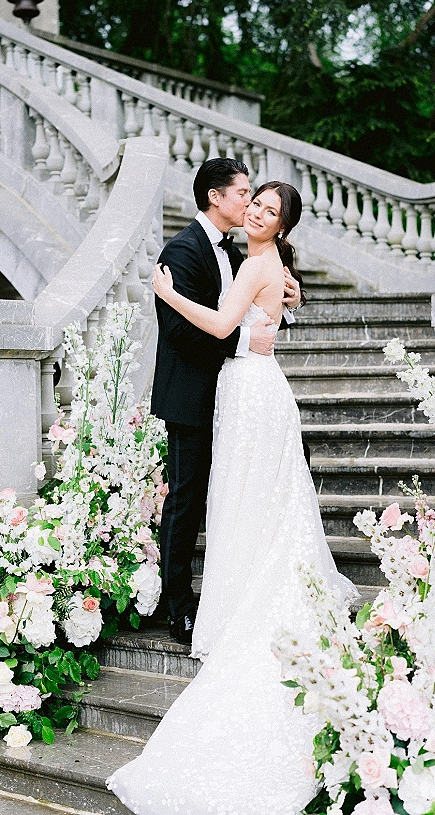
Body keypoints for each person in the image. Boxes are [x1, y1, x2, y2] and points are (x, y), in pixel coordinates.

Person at [106, 181, 357, 814]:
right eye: (255, 202)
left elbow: (221, 323)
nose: (257, 211)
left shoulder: (256, 261)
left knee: (243, 498)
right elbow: (262, 312)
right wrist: (283, 298)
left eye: (269, 209)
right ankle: (246, 581)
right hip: (252, 385)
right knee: (248, 499)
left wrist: (167, 294)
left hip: (249, 387)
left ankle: (247, 594)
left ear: (280, 225)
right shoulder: (266, 264)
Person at [150, 158, 302, 646]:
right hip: (192, 394)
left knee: (236, 494)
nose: (249, 203)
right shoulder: (182, 250)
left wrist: (290, 300)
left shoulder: (238, 252)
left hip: (235, 396)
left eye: (258, 200)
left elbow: (255, 299)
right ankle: (178, 607)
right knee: (186, 498)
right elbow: (180, 331)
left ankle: (237, 591)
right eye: (243, 194)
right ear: (215, 197)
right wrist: (242, 343)